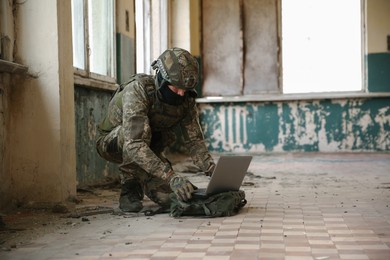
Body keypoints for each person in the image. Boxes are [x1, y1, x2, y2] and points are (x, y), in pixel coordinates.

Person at [96, 47, 216, 212]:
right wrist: (170, 176)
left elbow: (194, 140)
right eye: (176, 87)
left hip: (149, 146)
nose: (181, 94)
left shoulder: (186, 98)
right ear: (162, 79)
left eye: (185, 89)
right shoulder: (138, 89)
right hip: (113, 143)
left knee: (177, 198)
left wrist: (210, 168)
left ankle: (147, 181)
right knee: (132, 134)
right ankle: (130, 186)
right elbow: (135, 143)